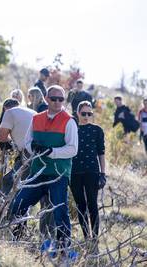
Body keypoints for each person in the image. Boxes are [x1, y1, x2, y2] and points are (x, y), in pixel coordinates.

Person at [9, 85, 78, 256]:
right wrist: (35, 148)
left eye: (61, 99)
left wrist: (51, 152)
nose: (57, 102)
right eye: (53, 99)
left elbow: (73, 149)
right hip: (37, 172)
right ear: (46, 99)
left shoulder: (69, 121)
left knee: (60, 211)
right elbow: (27, 142)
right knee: (18, 205)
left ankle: (63, 249)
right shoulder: (36, 118)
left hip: (58, 174)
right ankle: (17, 241)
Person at [70, 101, 106, 252]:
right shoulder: (72, 128)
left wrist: (103, 174)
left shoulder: (97, 130)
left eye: (89, 114)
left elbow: (101, 152)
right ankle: (86, 238)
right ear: (77, 113)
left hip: (92, 171)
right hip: (74, 172)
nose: (86, 116)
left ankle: (95, 239)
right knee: (80, 206)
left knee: (92, 204)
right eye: (83, 113)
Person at [0, 99, 36, 193]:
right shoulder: (32, 112)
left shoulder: (9, 112)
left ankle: (7, 206)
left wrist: (8, 144)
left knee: (9, 181)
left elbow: (2, 137)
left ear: (5, 108)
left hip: (28, 153)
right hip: (41, 151)